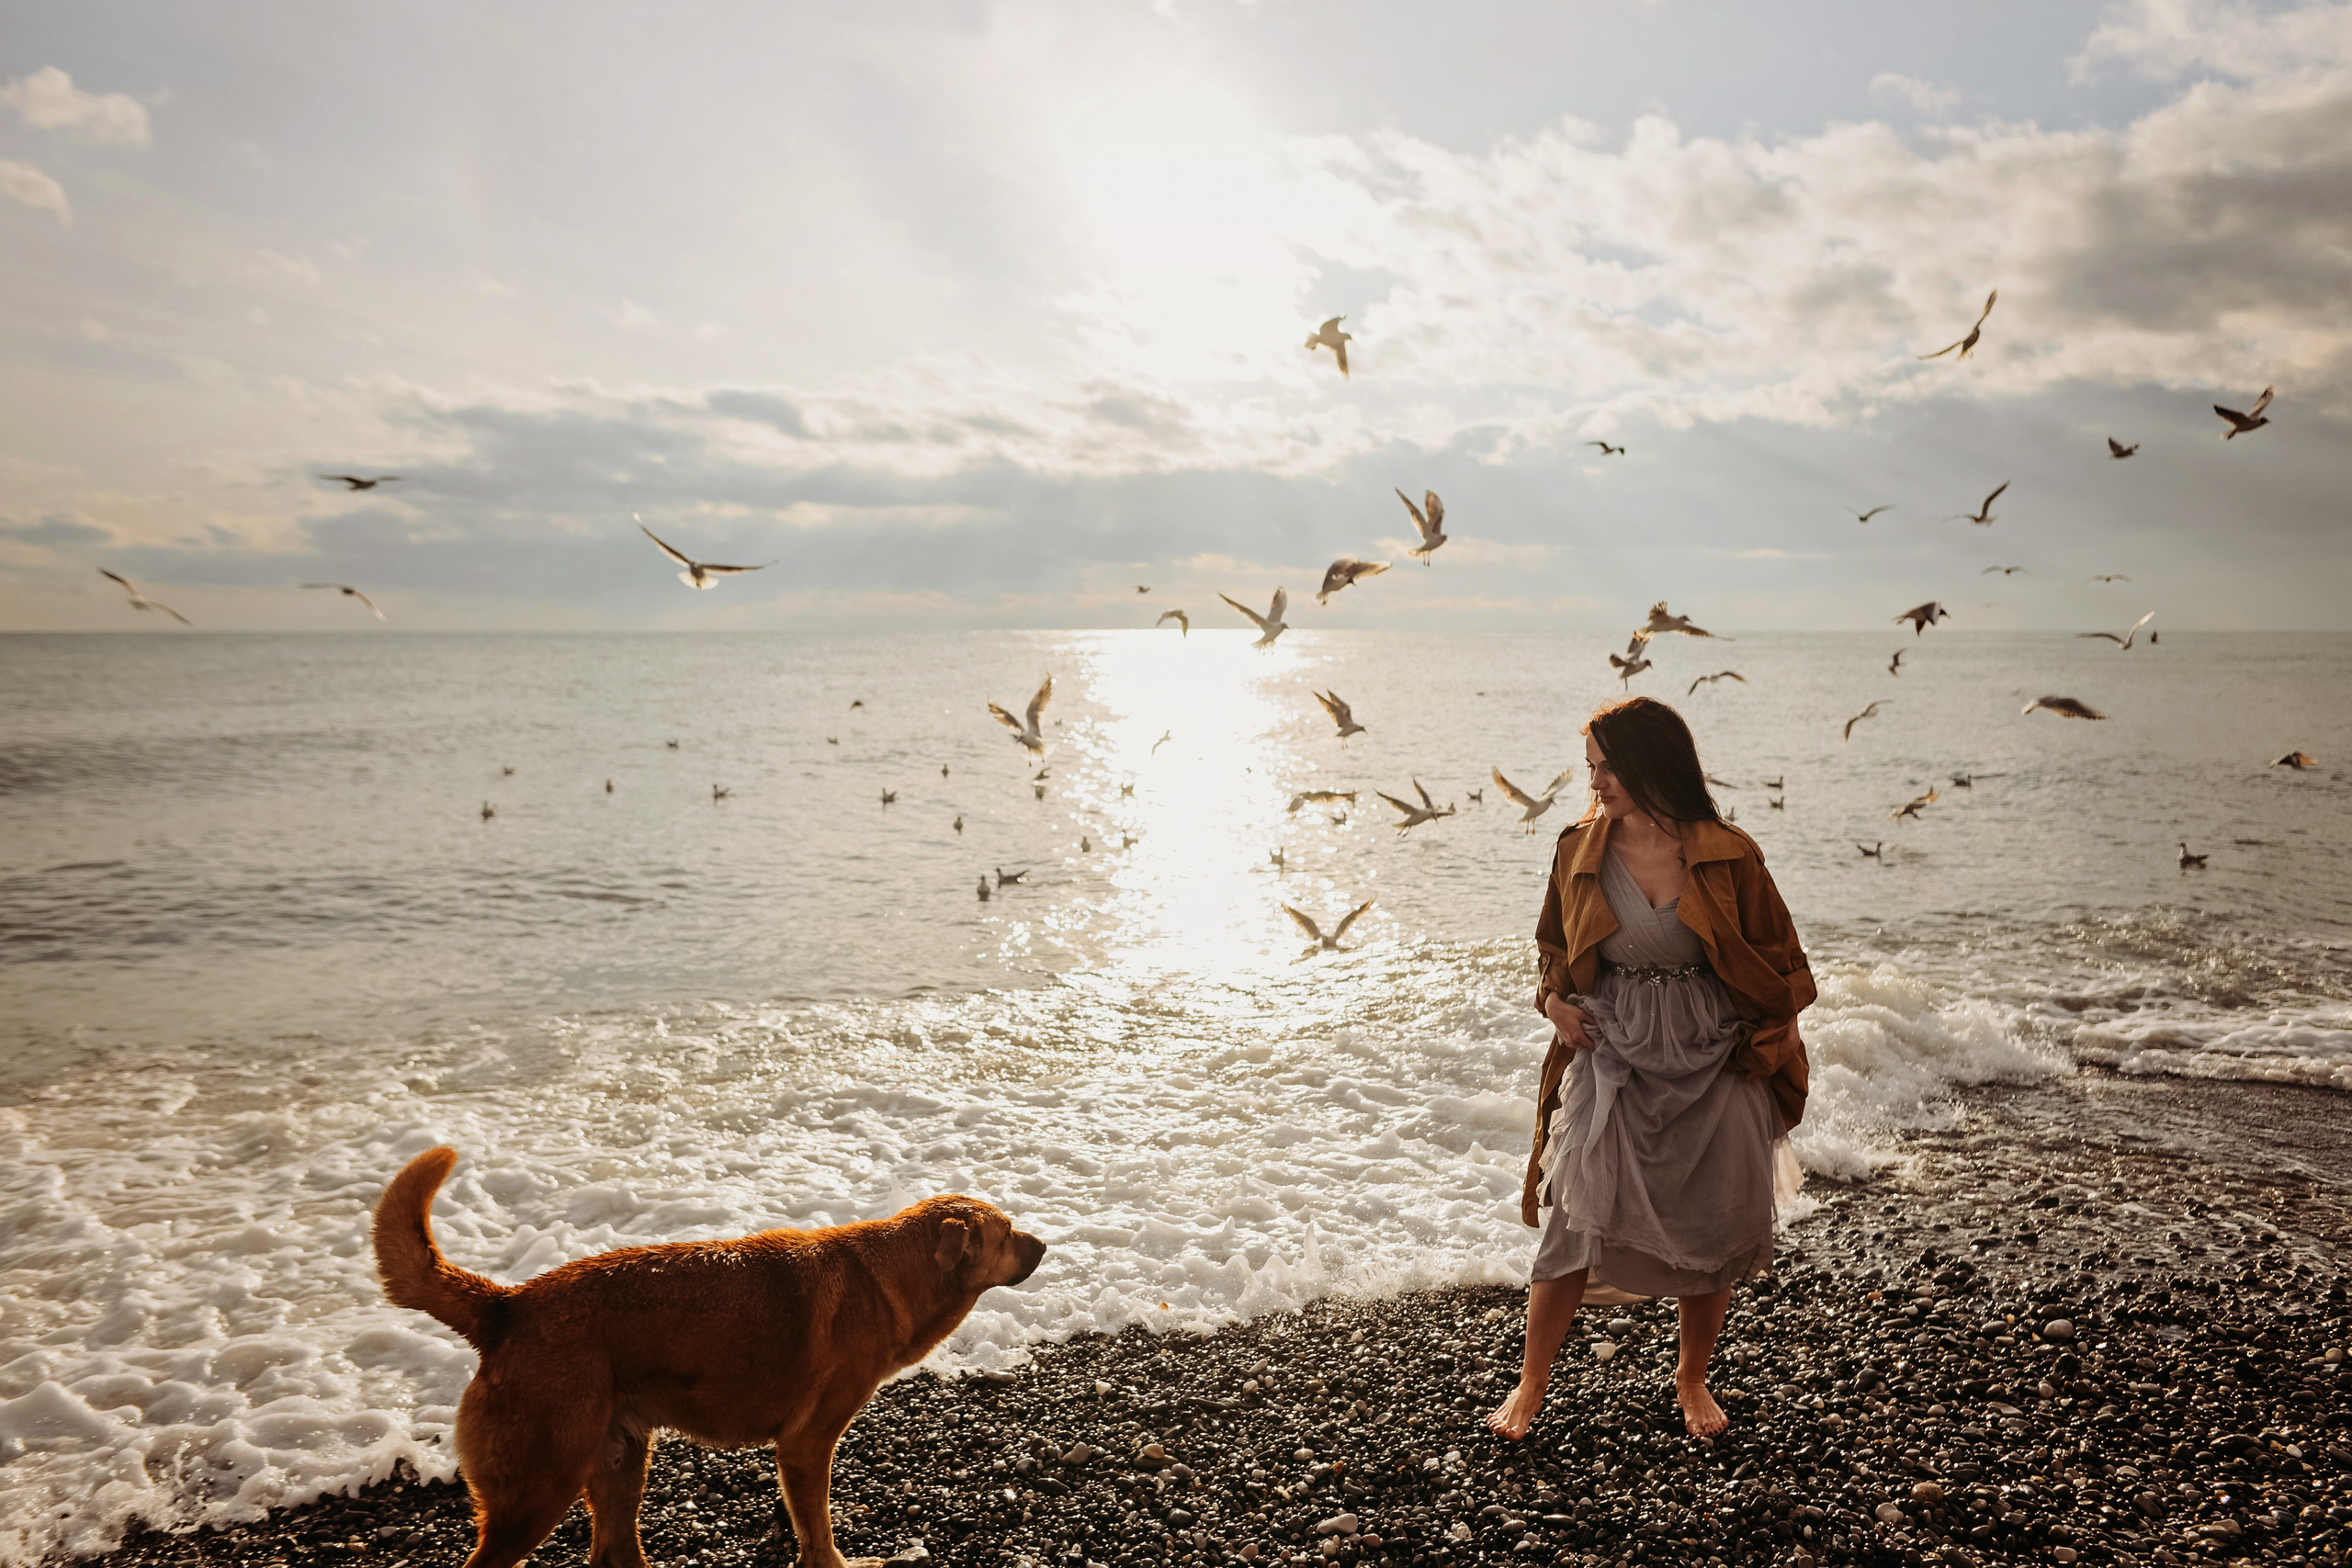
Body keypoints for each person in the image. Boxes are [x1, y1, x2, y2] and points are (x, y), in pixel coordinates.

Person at [1487, 694, 1815, 1441]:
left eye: (1606, 766)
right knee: (1573, 1219)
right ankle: (1531, 1382)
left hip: (1714, 1052)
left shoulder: (1730, 851)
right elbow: (1550, 946)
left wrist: (1775, 1044)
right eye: (1593, 767)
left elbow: (1782, 959)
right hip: (1613, 1048)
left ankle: (1691, 1379)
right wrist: (1554, 1005)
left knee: (1709, 1222)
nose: (1594, 781)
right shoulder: (1577, 848)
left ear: (1650, 764)